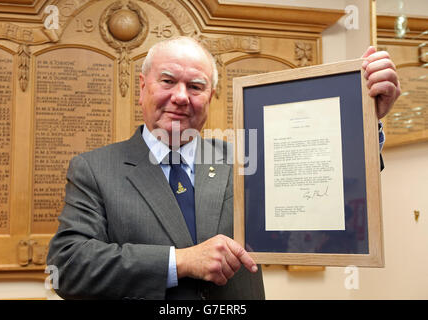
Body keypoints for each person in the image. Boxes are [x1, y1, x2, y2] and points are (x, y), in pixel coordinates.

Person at [47, 36, 400, 300]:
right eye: (168, 81)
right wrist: (180, 262)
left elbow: (332, 192)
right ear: (142, 87)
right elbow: (66, 267)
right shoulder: (93, 169)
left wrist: (365, 119)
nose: (181, 96)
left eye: (196, 86)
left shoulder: (246, 159)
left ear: (211, 96)